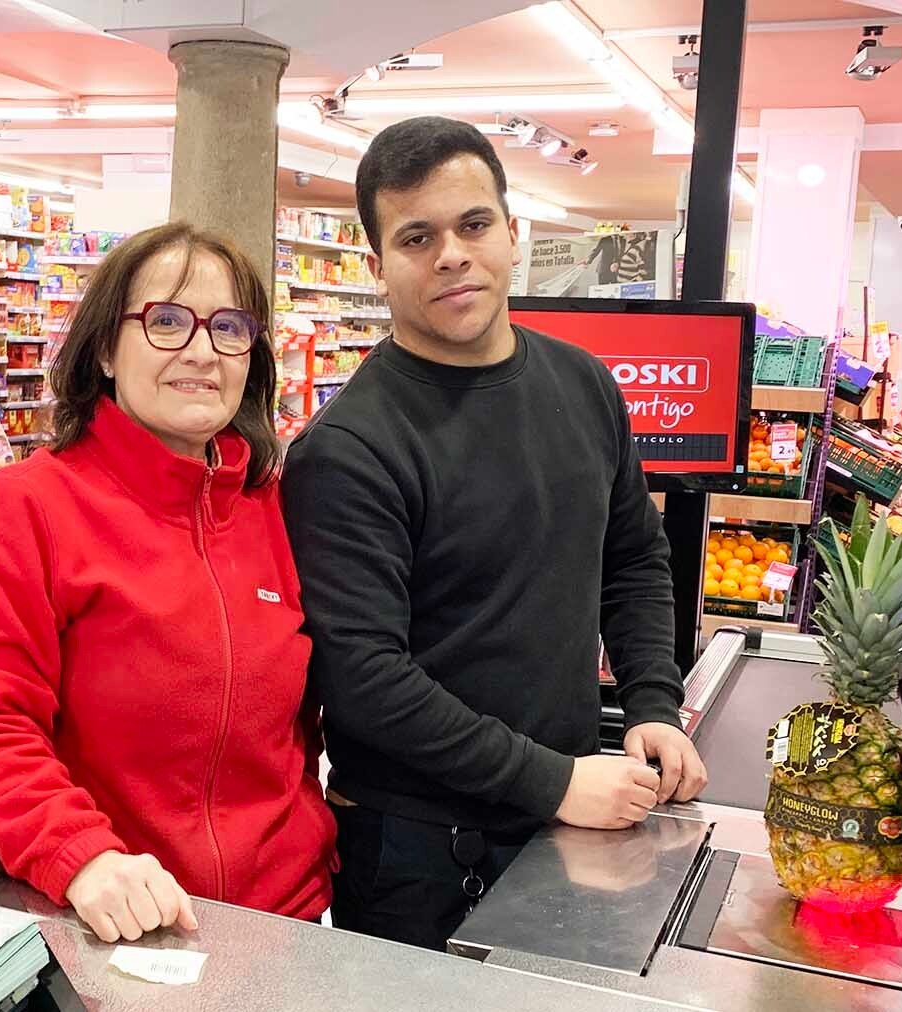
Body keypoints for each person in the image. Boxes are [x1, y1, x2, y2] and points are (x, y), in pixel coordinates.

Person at [281, 116, 709, 951]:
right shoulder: (350, 449)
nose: (451, 254)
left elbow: (632, 559)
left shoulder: (584, 385)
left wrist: (654, 703)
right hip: (420, 852)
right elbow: (366, 682)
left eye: (473, 224)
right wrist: (553, 782)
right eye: (416, 237)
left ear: (513, 235)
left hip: (571, 814)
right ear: (378, 268)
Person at [0, 222, 334, 944]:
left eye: (229, 327)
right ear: (106, 348)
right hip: (115, 930)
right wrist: (81, 856)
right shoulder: (29, 509)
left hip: (287, 929)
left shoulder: (276, 506)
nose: (202, 351)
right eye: (167, 321)